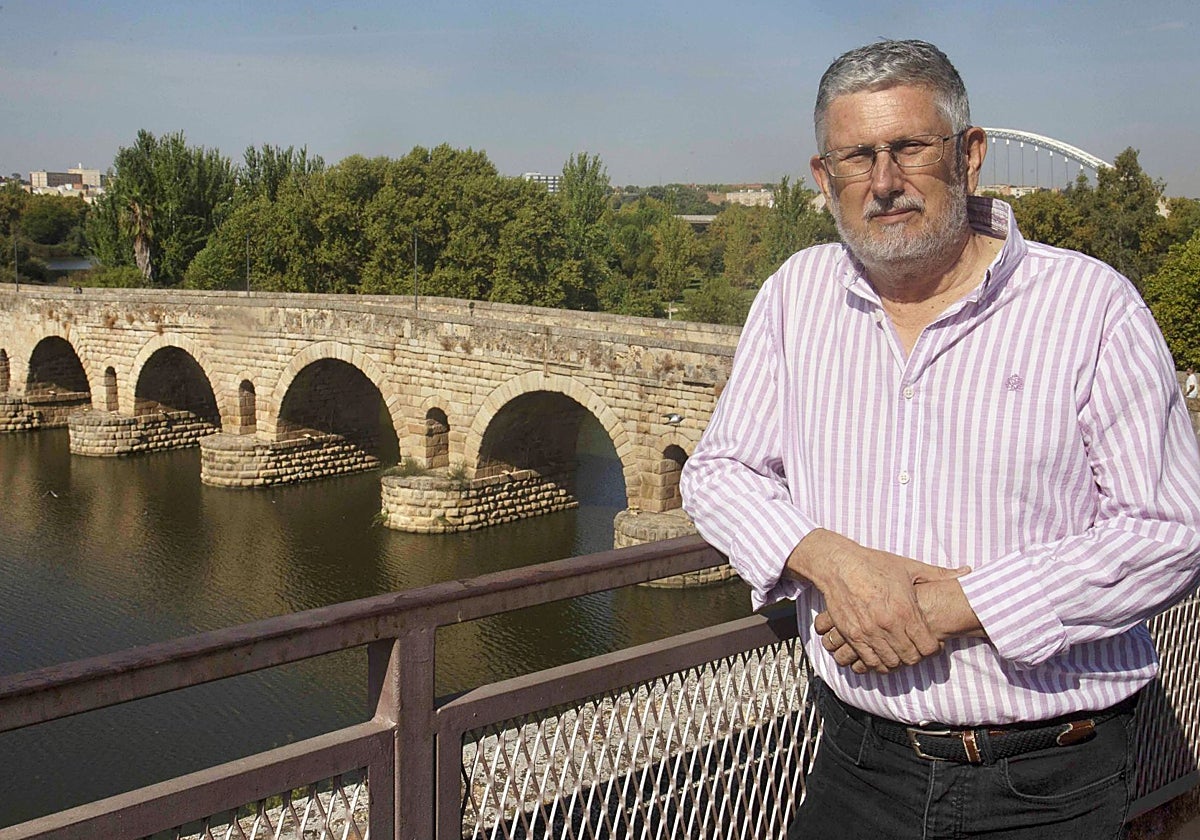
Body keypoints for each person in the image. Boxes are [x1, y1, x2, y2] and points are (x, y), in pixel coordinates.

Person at [680, 39, 1200, 839]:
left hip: (1045, 781)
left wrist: (951, 607)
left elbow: (1170, 533)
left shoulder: (1092, 309)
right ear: (825, 180)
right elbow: (718, 471)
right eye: (857, 157)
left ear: (971, 155)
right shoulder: (796, 298)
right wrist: (833, 563)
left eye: (910, 148)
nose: (884, 182)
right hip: (855, 762)